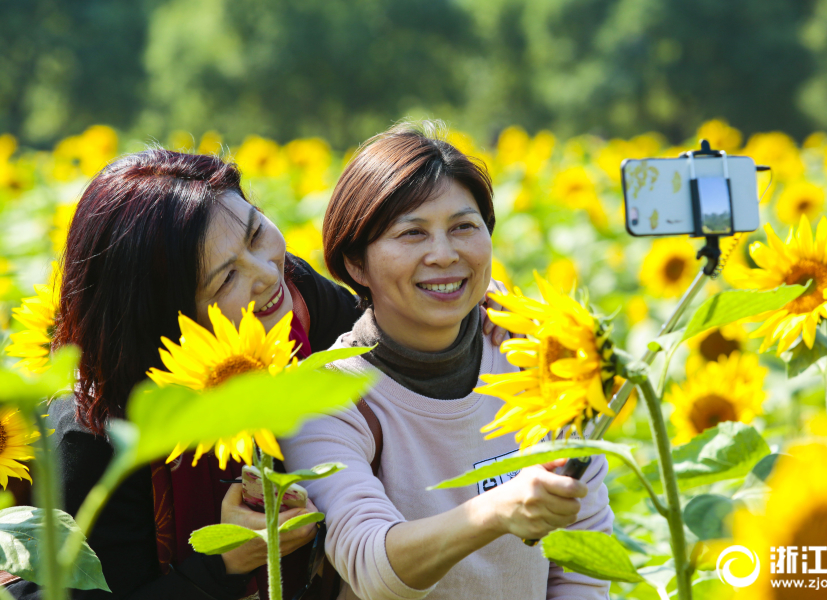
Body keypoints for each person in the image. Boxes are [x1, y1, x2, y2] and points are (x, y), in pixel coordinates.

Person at [8, 148, 510, 600]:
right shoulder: (93, 431)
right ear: (163, 314)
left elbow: (389, 322)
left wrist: (479, 310)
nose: (267, 273)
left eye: (255, 232)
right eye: (226, 276)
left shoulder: (298, 303)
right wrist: (224, 563)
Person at [282, 122, 614, 600]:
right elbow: (370, 563)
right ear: (356, 264)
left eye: (464, 227)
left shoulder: (537, 360)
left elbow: (582, 561)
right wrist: (496, 510)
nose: (444, 254)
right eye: (412, 233)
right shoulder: (326, 398)